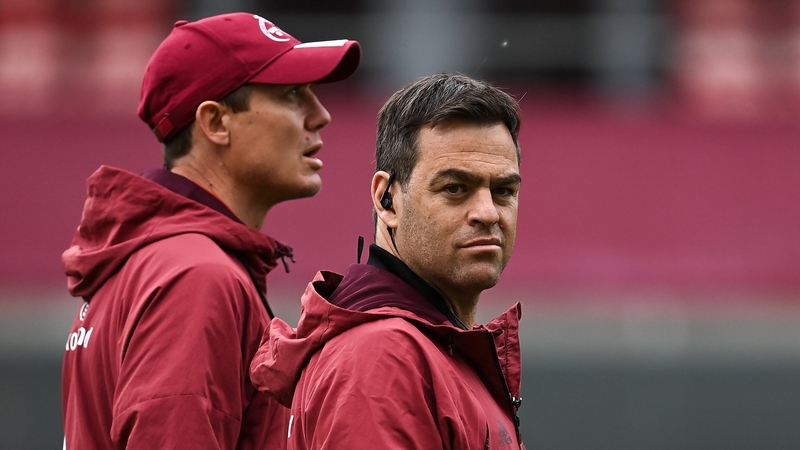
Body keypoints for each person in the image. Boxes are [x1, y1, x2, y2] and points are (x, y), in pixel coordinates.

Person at [61, 12, 360, 450]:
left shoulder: (155, 260)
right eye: (294, 94)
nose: (321, 115)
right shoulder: (196, 275)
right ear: (216, 123)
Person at [250, 73, 525, 449]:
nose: (488, 212)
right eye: (455, 188)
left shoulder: (424, 347)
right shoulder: (381, 358)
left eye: (504, 190)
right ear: (386, 199)